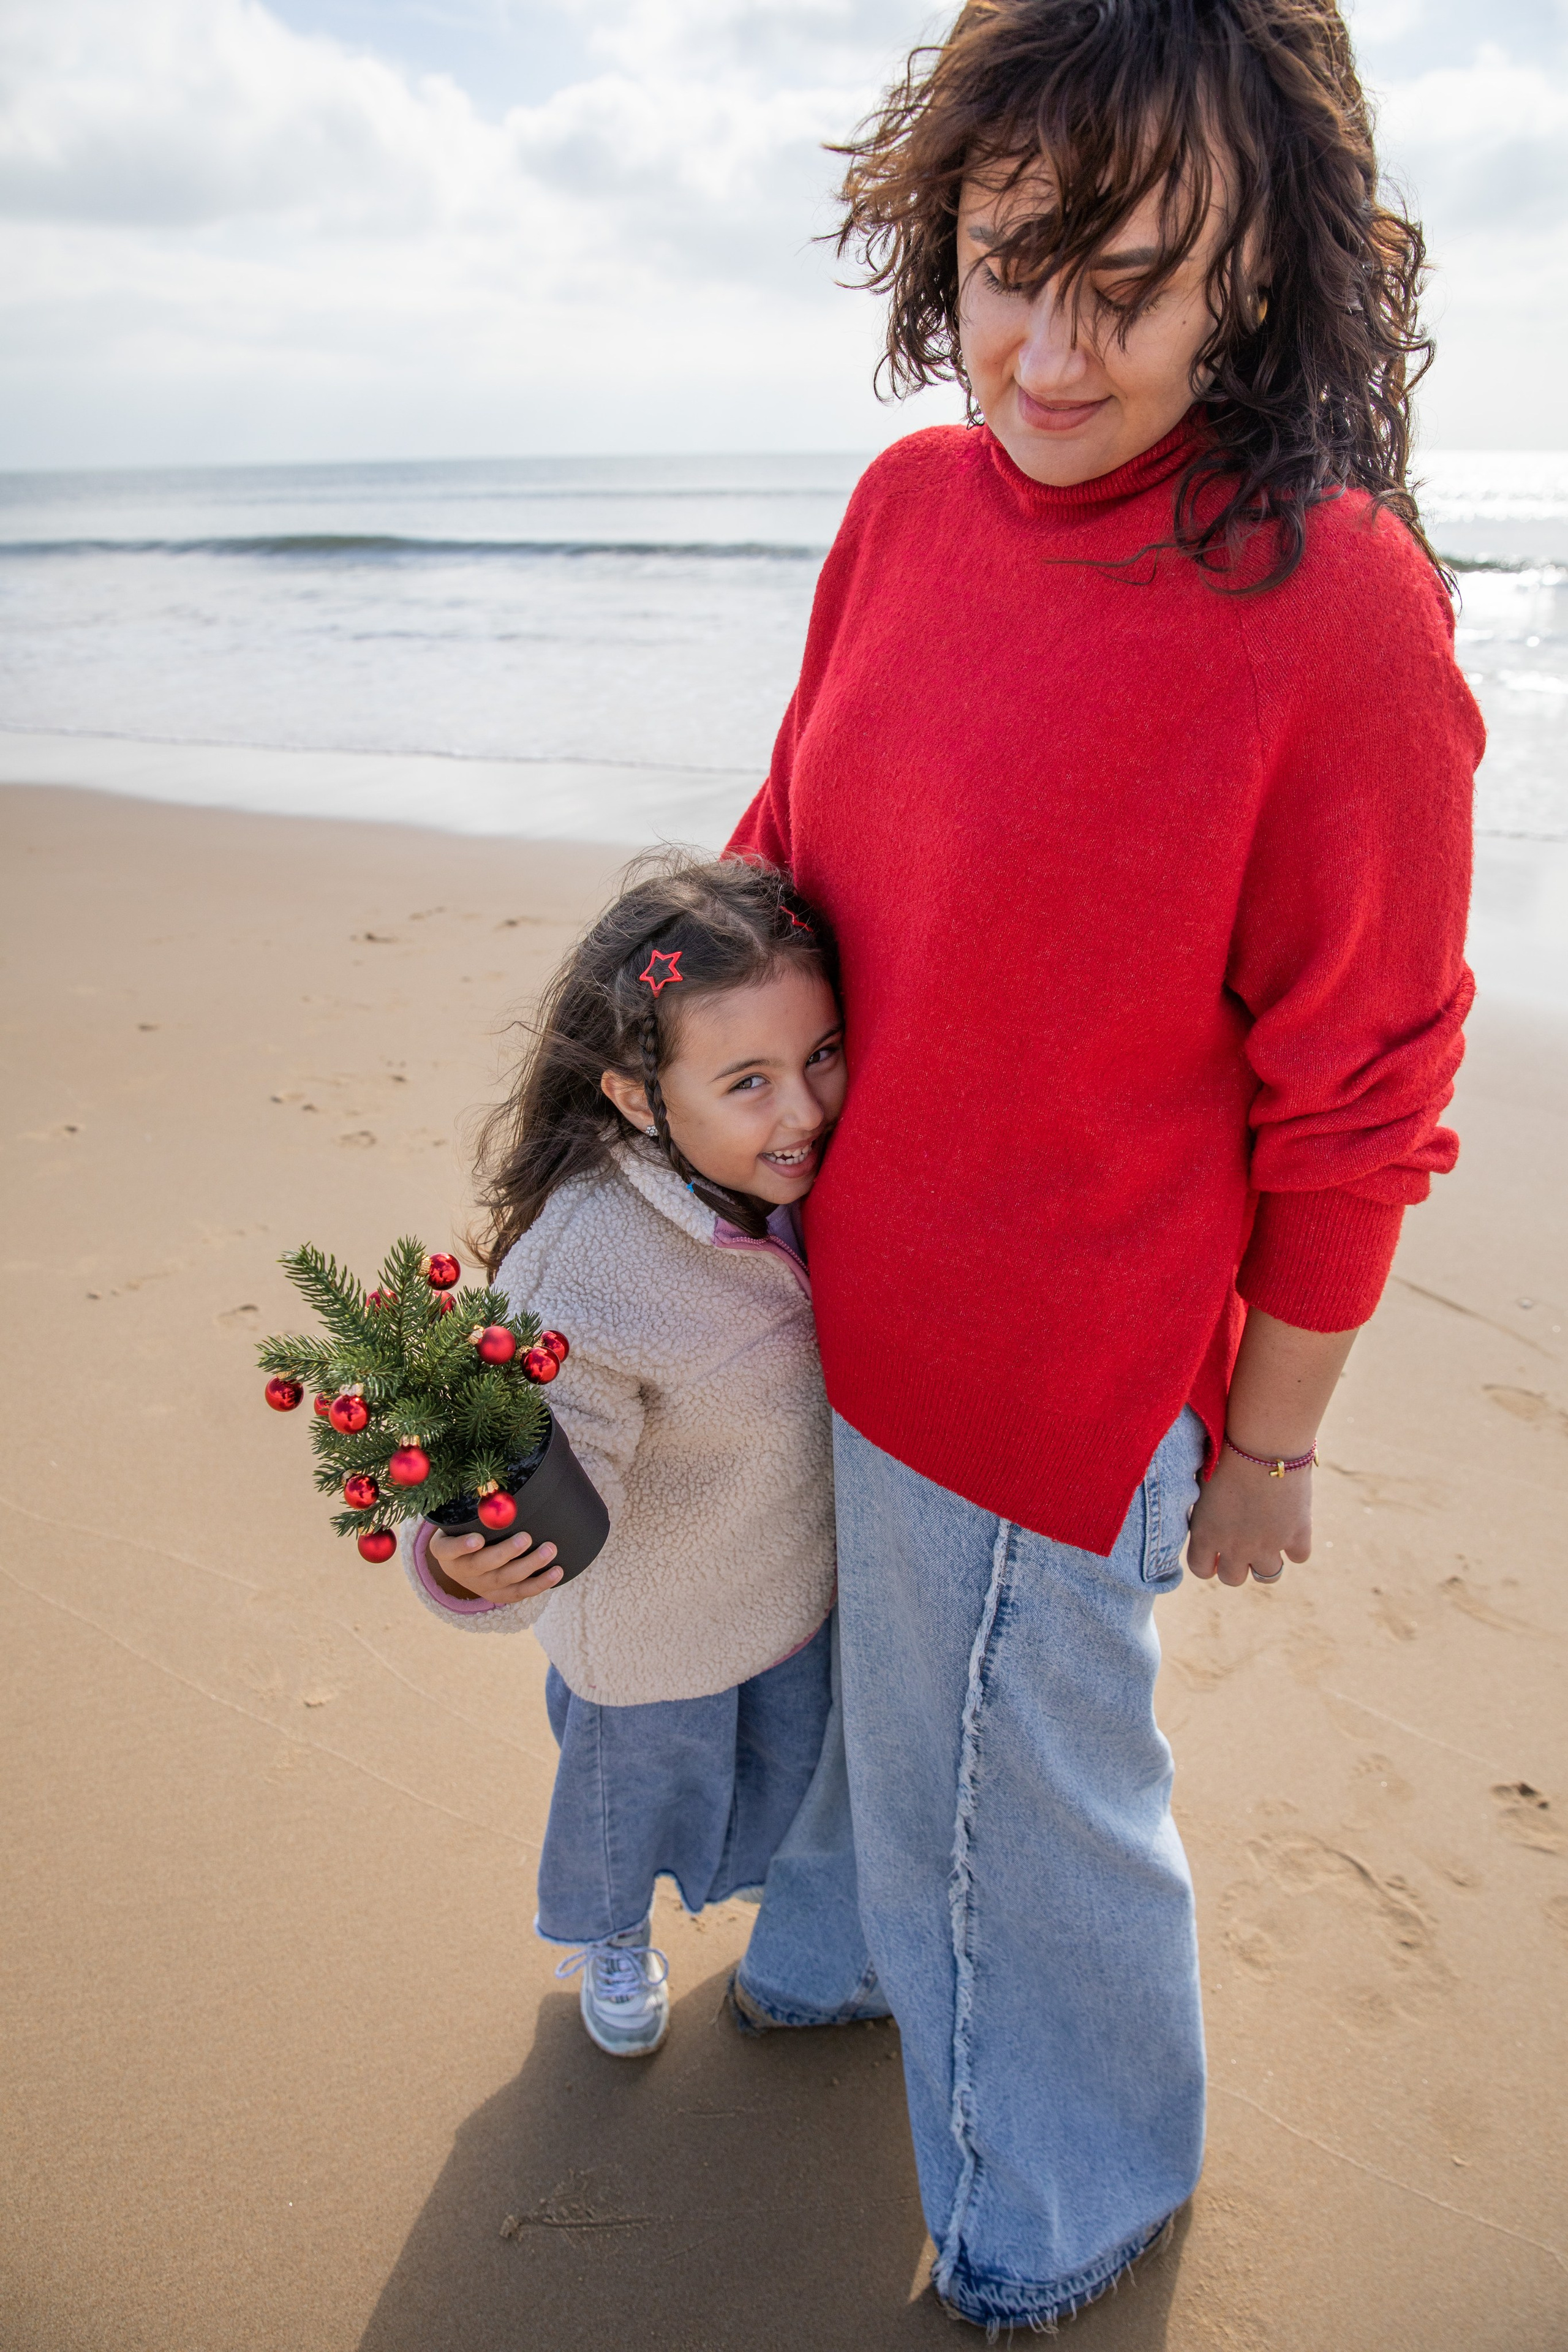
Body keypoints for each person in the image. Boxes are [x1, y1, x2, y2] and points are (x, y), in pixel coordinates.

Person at [726, 0, 1484, 2328]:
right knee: (855, 1708)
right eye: (997, 268)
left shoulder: (1335, 597)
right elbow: (781, 877)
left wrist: (1269, 1444)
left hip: (1058, 1371)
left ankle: (1067, 2199)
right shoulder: (903, 507)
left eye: (1127, 286)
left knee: (1020, 1805)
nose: (1045, 354)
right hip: (819, 1285)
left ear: (1259, 270)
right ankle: (841, 1964)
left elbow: (1361, 1087)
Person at [400, 856, 885, 2058]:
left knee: (787, 1783)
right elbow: (518, 1462)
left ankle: (800, 1925)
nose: (805, 1109)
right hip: (648, 1642)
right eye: (747, 1082)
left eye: (820, 1054)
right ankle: (610, 1940)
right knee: (630, 1810)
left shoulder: (776, 1179)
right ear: (633, 1097)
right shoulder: (590, 1274)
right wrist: (463, 1566)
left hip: (777, 1596)